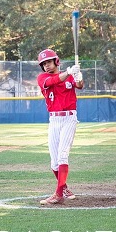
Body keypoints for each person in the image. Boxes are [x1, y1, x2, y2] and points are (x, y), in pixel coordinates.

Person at [36, 49, 83, 205]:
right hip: (54, 120)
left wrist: (78, 75)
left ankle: (58, 194)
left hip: (69, 118)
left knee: (63, 155)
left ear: (56, 61)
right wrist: (69, 72)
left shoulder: (68, 76)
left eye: (49, 62)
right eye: (43, 64)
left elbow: (80, 86)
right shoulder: (42, 77)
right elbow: (53, 81)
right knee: (54, 162)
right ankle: (64, 188)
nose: (46, 66)